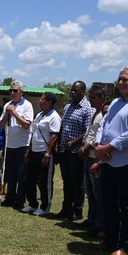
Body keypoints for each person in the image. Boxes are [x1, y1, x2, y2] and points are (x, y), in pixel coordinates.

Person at [91, 66, 128, 255]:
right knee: (107, 203)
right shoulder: (116, 102)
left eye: (125, 79)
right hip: (108, 161)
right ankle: (110, 240)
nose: (121, 83)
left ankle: (125, 246)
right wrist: (100, 145)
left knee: (125, 206)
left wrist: (108, 148)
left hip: (126, 162)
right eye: (120, 79)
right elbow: (104, 125)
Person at [53, 81, 94, 221]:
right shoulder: (67, 107)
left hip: (77, 151)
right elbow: (63, 126)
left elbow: (88, 130)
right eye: (72, 90)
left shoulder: (87, 109)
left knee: (77, 182)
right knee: (67, 181)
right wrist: (59, 143)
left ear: (83, 92)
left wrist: (75, 141)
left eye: (76, 91)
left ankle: (77, 210)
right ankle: (66, 208)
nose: (72, 93)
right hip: (65, 149)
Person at [21, 92, 61, 216]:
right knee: (30, 179)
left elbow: (54, 137)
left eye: (42, 99)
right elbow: (34, 133)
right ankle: (32, 204)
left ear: (49, 102)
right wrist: (29, 151)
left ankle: (45, 206)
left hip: (44, 152)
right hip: (34, 151)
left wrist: (47, 154)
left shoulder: (54, 117)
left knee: (44, 181)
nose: (39, 101)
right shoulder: (39, 115)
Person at [0, 81, 34, 208]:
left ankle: (20, 200)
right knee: (10, 174)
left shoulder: (27, 105)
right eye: (11, 91)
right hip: (10, 144)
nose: (12, 93)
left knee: (21, 174)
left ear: (21, 92)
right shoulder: (8, 105)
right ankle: (10, 197)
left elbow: (26, 125)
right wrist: (7, 113)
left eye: (15, 91)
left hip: (22, 144)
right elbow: (2, 125)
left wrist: (14, 112)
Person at [79, 85, 107, 229]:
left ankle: (99, 222)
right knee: (89, 191)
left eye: (94, 98)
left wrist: (86, 147)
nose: (91, 100)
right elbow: (89, 132)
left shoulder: (103, 115)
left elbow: (98, 136)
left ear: (102, 98)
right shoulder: (94, 113)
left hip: (95, 156)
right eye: (90, 97)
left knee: (97, 193)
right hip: (88, 156)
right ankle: (92, 218)